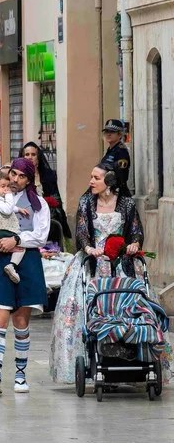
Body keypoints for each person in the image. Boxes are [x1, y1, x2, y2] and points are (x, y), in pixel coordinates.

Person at [50, 165, 148, 384]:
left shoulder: (126, 203)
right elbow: (82, 231)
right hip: (94, 261)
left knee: (129, 301)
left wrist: (134, 244)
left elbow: (136, 230)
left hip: (121, 263)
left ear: (110, 182)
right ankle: (91, 354)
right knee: (87, 304)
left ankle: (130, 352)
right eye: (91, 176)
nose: (91, 181)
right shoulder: (86, 202)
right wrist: (89, 249)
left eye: (96, 178)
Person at [0, 157, 51, 395]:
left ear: (29, 179)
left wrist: (16, 240)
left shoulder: (38, 204)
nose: (15, 180)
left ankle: (20, 375)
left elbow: (41, 236)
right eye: (13, 174)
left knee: (21, 320)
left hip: (26, 261)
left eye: (21, 176)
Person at [19, 142, 72, 243]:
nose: (30, 157)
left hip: (47, 218)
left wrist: (47, 203)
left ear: (38, 157)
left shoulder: (48, 175)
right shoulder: (17, 176)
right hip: (24, 216)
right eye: (27, 154)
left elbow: (56, 199)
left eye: (33, 154)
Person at [99, 120, 132, 198]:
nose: (108, 134)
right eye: (106, 131)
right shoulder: (110, 150)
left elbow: (121, 175)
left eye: (112, 132)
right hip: (107, 191)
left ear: (119, 134)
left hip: (118, 193)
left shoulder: (121, 151)